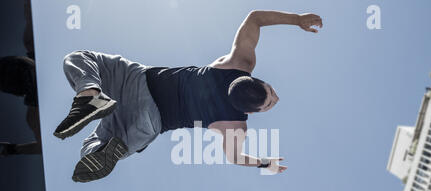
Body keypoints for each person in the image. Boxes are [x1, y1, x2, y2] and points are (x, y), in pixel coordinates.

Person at [54, 10, 323, 182]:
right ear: (251, 113)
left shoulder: (239, 61)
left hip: (136, 81)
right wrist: (265, 163)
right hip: (148, 123)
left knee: (80, 58)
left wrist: (296, 19)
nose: (276, 99)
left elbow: (255, 18)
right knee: (96, 147)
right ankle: (106, 148)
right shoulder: (236, 126)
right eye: (271, 98)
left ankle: (90, 94)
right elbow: (234, 158)